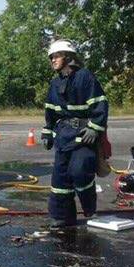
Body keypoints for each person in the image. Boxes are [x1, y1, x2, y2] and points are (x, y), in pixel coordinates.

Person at [41, 40, 108, 228]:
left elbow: (100, 103)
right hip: (63, 135)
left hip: (83, 134)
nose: (52, 60)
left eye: (56, 56)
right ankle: (62, 217)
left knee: (79, 171)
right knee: (60, 178)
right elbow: (50, 110)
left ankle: (89, 207)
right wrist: (47, 131)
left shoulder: (85, 77)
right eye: (51, 57)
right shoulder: (55, 83)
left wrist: (95, 128)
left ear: (68, 57)